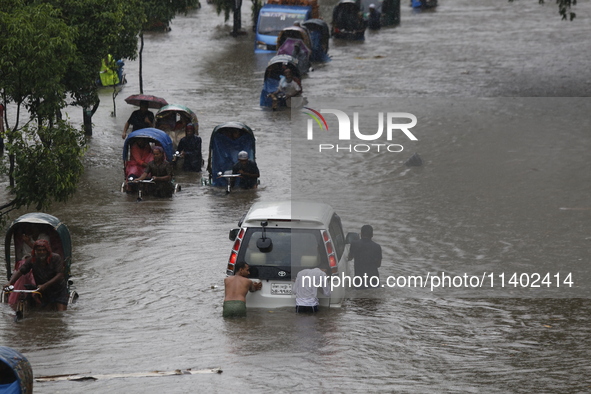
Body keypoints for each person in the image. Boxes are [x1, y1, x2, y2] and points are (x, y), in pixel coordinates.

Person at [4, 239, 68, 311]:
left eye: (44, 250)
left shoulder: (56, 258)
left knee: (61, 313)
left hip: (58, 289)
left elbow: (60, 275)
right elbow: (20, 272)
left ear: (48, 251)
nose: (41, 252)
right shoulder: (32, 260)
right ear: (35, 251)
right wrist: (10, 283)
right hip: (43, 291)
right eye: (39, 250)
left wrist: (45, 285)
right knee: (45, 313)